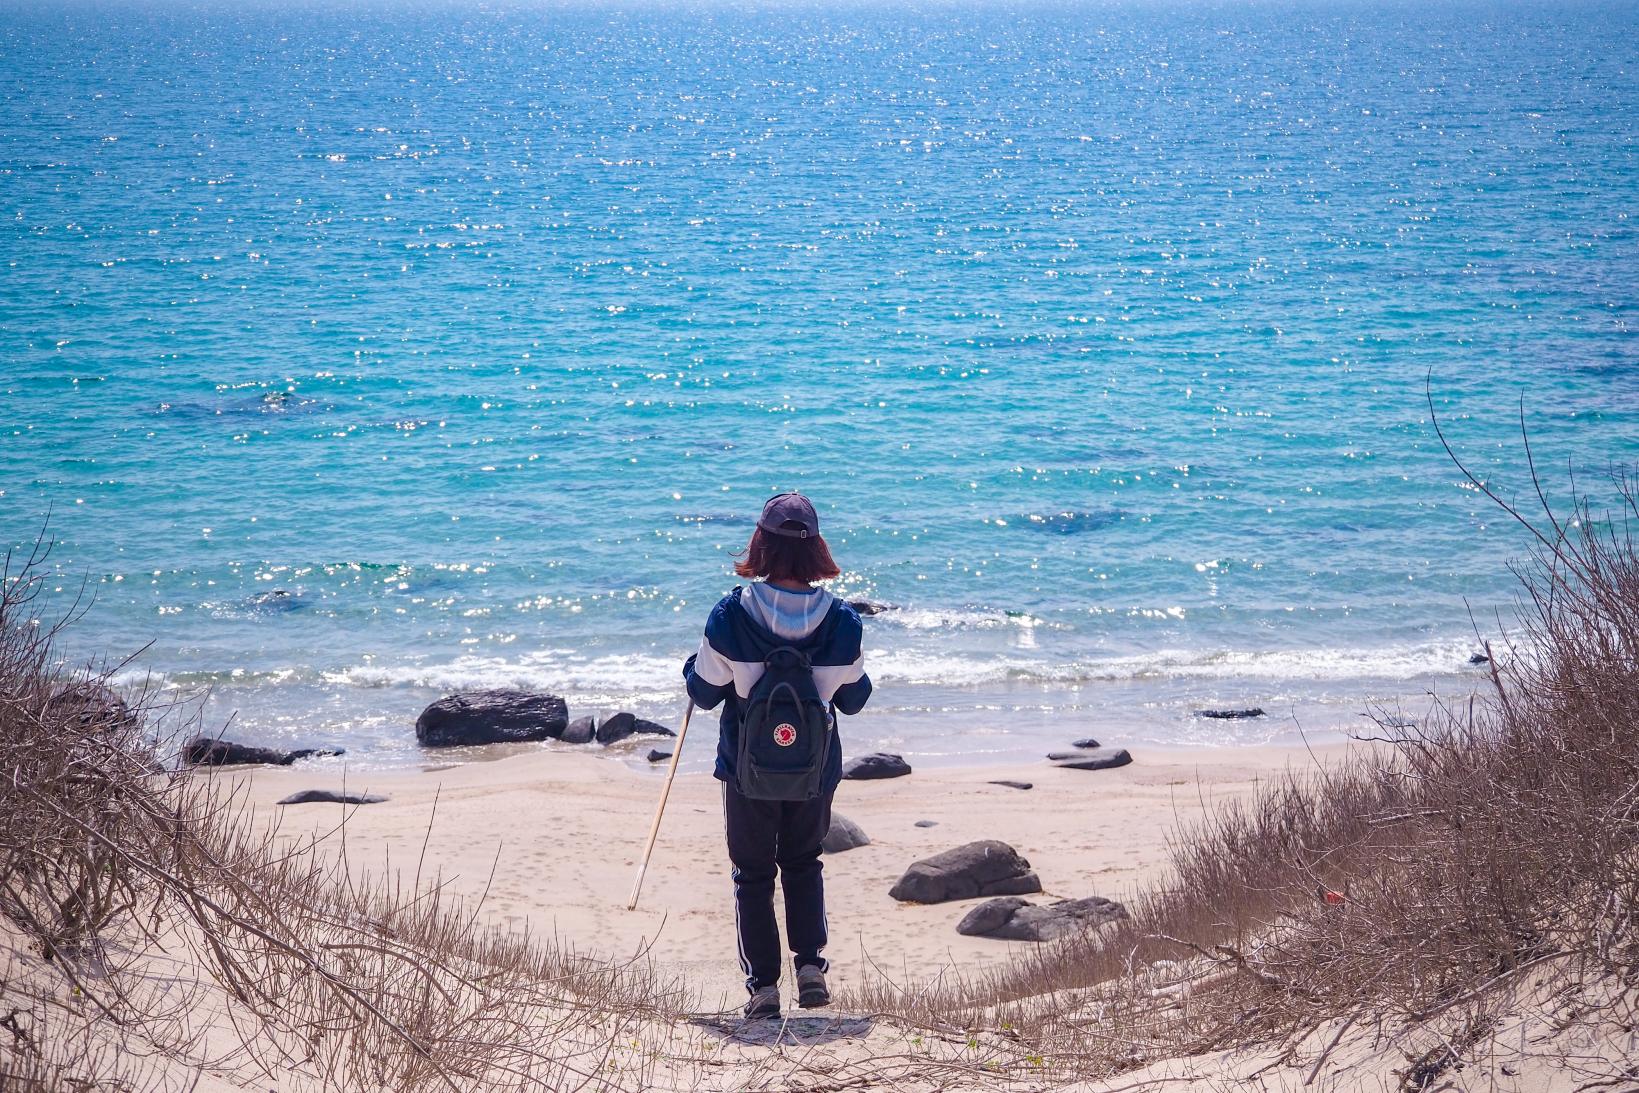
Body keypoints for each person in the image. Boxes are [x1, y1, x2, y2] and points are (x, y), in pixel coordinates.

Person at [682, 492, 872, 1019]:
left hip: (747, 770)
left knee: (752, 873)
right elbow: (853, 701)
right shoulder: (842, 621)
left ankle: (763, 989)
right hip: (814, 769)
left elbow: (704, 692)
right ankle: (810, 967)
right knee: (803, 862)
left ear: (760, 543)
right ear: (816, 550)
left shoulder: (730, 615)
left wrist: (690, 669)